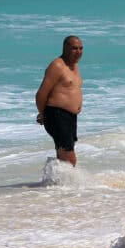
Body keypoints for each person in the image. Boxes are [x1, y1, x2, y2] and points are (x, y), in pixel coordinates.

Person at [35, 35, 84, 166]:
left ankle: (55, 183)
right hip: (57, 115)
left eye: (80, 48)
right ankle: (70, 185)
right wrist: (42, 114)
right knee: (69, 157)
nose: (78, 52)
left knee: (63, 154)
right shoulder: (57, 65)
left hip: (69, 117)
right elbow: (41, 93)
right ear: (65, 48)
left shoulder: (74, 66)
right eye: (74, 48)